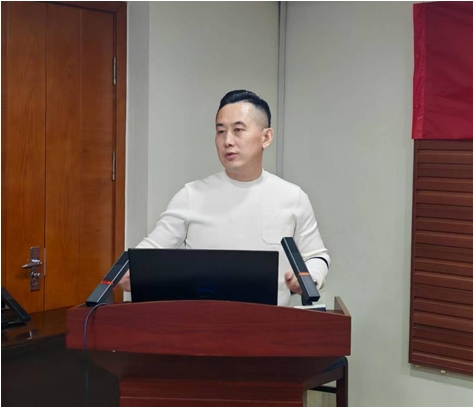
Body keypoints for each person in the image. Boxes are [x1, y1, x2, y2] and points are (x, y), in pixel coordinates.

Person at [118, 90, 330, 306]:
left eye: (238, 130)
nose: (227, 141)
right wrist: (133, 272)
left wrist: (309, 278)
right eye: (221, 131)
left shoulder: (292, 197)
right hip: (201, 321)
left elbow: (316, 256)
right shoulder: (191, 195)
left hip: (270, 322)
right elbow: (147, 254)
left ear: (266, 137)